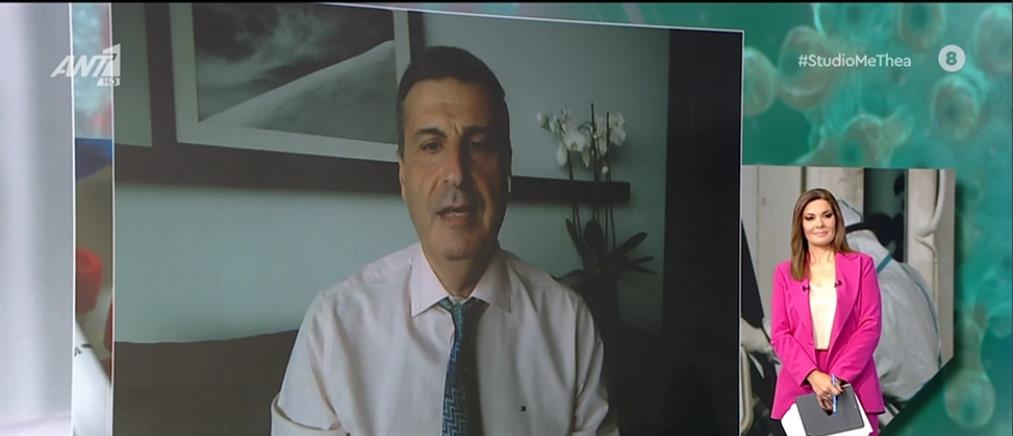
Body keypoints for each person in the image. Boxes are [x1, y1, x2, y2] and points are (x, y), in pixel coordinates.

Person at [270, 46, 617, 436]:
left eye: (479, 144)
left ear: (507, 167)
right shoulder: (333, 328)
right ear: (402, 175)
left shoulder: (569, 325)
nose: (457, 173)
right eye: (432, 146)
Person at [769, 188, 884, 435]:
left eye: (827, 215)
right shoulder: (784, 273)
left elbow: (870, 326)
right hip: (801, 382)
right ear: (800, 225)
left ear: (837, 220)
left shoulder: (862, 265)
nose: (819, 224)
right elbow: (780, 334)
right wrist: (813, 376)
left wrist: (835, 378)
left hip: (852, 380)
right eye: (810, 218)